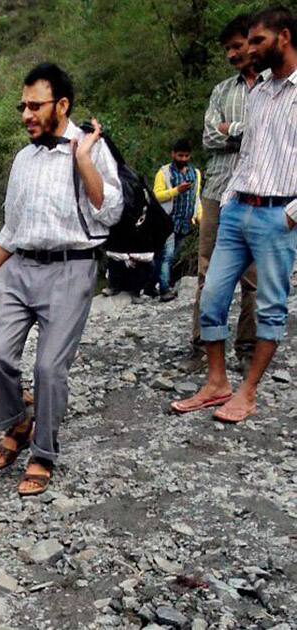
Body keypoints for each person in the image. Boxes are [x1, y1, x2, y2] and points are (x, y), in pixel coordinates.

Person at [0, 63, 123, 496]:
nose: (26, 114)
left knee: (49, 368)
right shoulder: (23, 159)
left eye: (35, 106)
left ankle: (43, 451)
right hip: (19, 270)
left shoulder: (91, 148)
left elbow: (110, 211)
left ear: (61, 105)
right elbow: (11, 231)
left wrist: (83, 159)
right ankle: (16, 424)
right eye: (22, 106)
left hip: (71, 268)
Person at [173, 7, 297, 424]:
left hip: (278, 214)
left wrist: (292, 215)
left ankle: (248, 391)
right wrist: (228, 197)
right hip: (237, 206)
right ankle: (217, 382)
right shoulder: (259, 92)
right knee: (211, 296)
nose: (249, 50)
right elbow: (247, 152)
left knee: (269, 306)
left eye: (258, 41)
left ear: (284, 37)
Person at [187, 13, 266, 371]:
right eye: (227, 49)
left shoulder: (276, 87)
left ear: (252, 43)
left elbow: (275, 138)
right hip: (218, 190)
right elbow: (208, 137)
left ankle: (247, 348)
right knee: (207, 271)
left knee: (253, 277)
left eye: (237, 46)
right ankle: (201, 345)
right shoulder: (221, 90)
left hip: (257, 191)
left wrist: (232, 130)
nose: (232, 54)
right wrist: (247, 133)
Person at [151, 138, 203, 301]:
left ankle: (150, 285)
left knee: (168, 256)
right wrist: (176, 191)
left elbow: (196, 198)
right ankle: (165, 290)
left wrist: (200, 217)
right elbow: (156, 196)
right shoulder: (164, 173)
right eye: (180, 155)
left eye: (186, 156)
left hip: (185, 222)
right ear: (173, 154)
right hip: (166, 222)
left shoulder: (195, 174)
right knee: (167, 255)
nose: (183, 159)